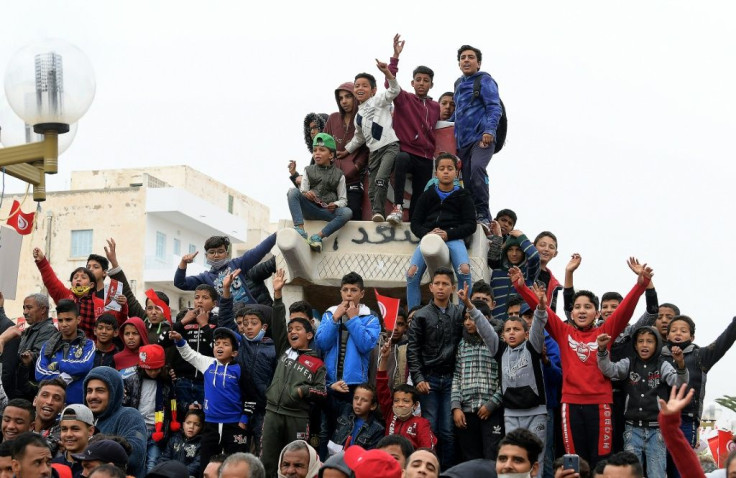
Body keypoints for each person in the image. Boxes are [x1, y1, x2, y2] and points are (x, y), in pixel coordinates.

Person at [513, 258, 653, 467]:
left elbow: (624, 310)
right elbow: (541, 307)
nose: (581, 310)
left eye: (587, 307)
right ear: (571, 313)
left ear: (597, 313)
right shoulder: (564, 332)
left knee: (601, 461)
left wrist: (640, 284)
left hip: (600, 405)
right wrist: (521, 287)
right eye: (577, 307)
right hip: (569, 404)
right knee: (573, 462)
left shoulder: (604, 332)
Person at [465, 278, 548, 472]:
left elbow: (538, 325)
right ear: (502, 335)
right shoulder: (500, 350)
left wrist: (541, 307)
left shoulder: (532, 346)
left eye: (517, 329)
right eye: (508, 330)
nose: (511, 333)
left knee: (538, 457)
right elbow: (485, 330)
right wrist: (470, 306)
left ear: (525, 334)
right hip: (511, 413)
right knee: (514, 456)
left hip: (536, 412)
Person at [597, 327, 688, 476]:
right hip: (632, 430)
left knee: (656, 473)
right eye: (640, 341)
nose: (644, 345)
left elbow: (678, 382)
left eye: (649, 341)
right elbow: (609, 370)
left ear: (657, 344)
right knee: (630, 473)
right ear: (635, 345)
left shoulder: (663, 365)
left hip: (657, 430)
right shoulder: (628, 363)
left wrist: (681, 365)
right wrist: (601, 350)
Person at [261, 270, 326, 478]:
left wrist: (302, 391)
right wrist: (277, 294)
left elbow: (322, 392)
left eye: (297, 328)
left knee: (296, 464)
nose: (291, 331)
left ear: (309, 334)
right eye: (290, 329)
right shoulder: (283, 350)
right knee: (269, 462)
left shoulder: (317, 363)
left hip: (298, 418)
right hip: (272, 413)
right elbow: (278, 322)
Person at [170, 324, 251, 469]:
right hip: (210, 424)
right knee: (206, 464)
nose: (220, 347)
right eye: (217, 343)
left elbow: (250, 396)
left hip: (234, 425)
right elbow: (189, 354)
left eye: (225, 344)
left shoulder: (240, 369)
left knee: (236, 465)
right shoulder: (208, 363)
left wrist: (244, 419)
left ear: (234, 353)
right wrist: (180, 340)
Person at [406, 267, 464, 468]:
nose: (441, 288)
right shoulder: (421, 315)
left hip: (451, 380)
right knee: (431, 430)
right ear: (430, 287)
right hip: (428, 380)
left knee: (448, 431)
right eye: (437, 284)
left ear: (453, 288)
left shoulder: (459, 313)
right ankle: (429, 470)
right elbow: (412, 350)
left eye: (445, 284)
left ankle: (446, 471)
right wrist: (418, 378)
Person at [218, 271, 277, 455]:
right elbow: (226, 319)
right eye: (245, 323)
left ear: (264, 326)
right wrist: (226, 289)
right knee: (238, 452)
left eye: (254, 323)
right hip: (239, 407)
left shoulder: (273, 349)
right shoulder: (240, 343)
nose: (248, 327)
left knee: (262, 452)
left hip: (263, 409)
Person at [406, 153, 476, 309]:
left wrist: (448, 234)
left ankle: (465, 314)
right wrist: (427, 234)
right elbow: (415, 223)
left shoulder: (464, 196)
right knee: (411, 273)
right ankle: (413, 315)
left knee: (464, 270)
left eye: (450, 168)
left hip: (453, 238)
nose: (446, 172)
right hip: (429, 238)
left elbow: (471, 225)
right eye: (442, 168)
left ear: (456, 173)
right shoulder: (426, 195)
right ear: (436, 173)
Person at [384, 34, 441, 222]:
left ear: (431, 84)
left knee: (421, 190)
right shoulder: (405, 99)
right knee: (401, 159)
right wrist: (395, 58)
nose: (421, 83)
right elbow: (390, 85)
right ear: (412, 82)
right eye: (418, 79)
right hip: (406, 150)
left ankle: (416, 220)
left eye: (425, 80)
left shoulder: (435, 107)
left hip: (425, 156)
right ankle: (397, 207)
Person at [316, 272, 380, 437]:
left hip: (354, 387)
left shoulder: (370, 318)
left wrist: (353, 320)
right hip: (330, 383)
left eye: (354, 290)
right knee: (325, 432)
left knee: (345, 433)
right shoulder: (330, 314)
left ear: (362, 293)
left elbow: (366, 345)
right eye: (345, 290)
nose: (349, 294)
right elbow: (321, 343)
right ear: (340, 292)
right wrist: (335, 318)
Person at [660, 314, 736, 450]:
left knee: (681, 467)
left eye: (683, 331)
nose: (678, 333)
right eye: (673, 330)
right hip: (657, 421)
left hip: (687, 420)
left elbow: (724, 341)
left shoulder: (700, 356)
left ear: (692, 337)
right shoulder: (657, 357)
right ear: (667, 336)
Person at [339, 60, 401, 223]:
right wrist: (346, 151)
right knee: (372, 186)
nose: (360, 88)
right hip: (373, 152)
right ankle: (377, 213)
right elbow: (359, 137)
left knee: (381, 178)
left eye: (364, 85)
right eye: (357, 85)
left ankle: (383, 211)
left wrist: (387, 72)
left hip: (389, 147)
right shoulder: (358, 116)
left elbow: (395, 90)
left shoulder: (379, 100)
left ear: (373, 90)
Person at [452, 44, 503, 231]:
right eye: (463, 57)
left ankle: (483, 214)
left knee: (477, 170)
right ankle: (472, 216)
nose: (466, 60)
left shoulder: (484, 80)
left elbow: (494, 107)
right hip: (462, 143)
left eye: (471, 57)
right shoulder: (458, 84)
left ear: (478, 63)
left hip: (482, 138)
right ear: (459, 63)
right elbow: (458, 113)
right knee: (465, 181)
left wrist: (489, 131)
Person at [33, 247, 128, 340]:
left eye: (83, 277)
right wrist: (42, 262)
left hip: (92, 349)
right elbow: (51, 281)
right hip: (67, 346)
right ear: (72, 283)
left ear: (91, 284)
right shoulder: (65, 296)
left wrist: (123, 306)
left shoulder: (101, 303)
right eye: (75, 277)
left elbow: (117, 322)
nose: (78, 279)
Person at [452, 289, 503, 461]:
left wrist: (493, 403)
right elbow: (457, 377)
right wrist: (456, 407)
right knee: (470, 459)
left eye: (472, 318)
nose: (468, 322)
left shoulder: (496, 343)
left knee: (491, 457)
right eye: (465, 318)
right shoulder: (462, 345)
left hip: (490, 411)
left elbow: (506, 380)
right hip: (466, 412)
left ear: (486, 320)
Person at [287, 132, 353, 252]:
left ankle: (317, 237)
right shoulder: (308, 170)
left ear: (331, 155)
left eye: (322, 150)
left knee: (347, 212)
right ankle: (300, 230)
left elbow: (343, 200)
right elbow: (302, 190)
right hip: (309, 209)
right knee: (292, 192)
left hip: (327, 212)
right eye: (315, 150)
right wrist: (306, 194)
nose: (317, 153)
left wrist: (336, 204)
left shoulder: (339, 175)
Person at [174, 233, 277, 305]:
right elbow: (180, 283)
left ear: (226, 254)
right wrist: (183, 263)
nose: (216, 255)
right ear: (206, 256)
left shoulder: (237, 264)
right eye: (212, 252)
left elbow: (258, 251)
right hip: (229, 321)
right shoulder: (205, 278)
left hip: (251, 314)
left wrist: (277, 235)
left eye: (220, 251)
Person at [122, 344, 179, 473]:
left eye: (156, 369)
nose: (153, 372)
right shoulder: (132, 380)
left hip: (156, 431)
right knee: (135, 462)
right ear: (142, 367)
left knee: (152, 463)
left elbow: (173, 403)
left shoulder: (167, 382)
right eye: (149, 369)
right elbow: (126, 403)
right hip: (137, 429)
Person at [83, 367, 147, 477]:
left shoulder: (129, 415)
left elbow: (135, 456)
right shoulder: (84, 420)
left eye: (100, 390)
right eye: (89, 391)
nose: (93, 396)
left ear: (114, 392)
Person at [320, 83, 369, 220]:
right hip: (331, 178)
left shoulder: (363, 119)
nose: (344, 101)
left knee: (353, 213)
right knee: (327, 214)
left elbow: (366, 149)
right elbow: (323, 145)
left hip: (353, 180)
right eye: (340, 98)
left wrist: (356, 167)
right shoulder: (333, 118)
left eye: (348, 96)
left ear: (355, 97)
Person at [377, 340, 436, 450]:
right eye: (396, 401)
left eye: (406, 401)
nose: (400, 404)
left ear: (415, 405)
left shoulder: (421, 424)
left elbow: (427, 450)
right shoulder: (390, 414)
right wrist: (384, 358)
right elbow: (381, 386)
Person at [35, 299, 95, 404]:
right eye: (60, 320)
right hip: (52, 406)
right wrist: (63, 378)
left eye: (68, 320)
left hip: (78, 406)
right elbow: (40, 373)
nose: (64, 324)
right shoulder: (48, 346)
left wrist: (59, 364)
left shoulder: (88, 345)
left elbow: (85, 365)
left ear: (78, 320)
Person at [0, 294, 58, 401]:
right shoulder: (28, 331)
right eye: (24, 308)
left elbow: (38, 356)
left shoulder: (48, 330)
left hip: (30, 391)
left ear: (43, 310)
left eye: (29, 308)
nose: (25, 312)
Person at [170, 284, 218, 411]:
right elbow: (166, 340)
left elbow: (217, 346)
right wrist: (183, 322)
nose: (200, 301)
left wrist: (204, 325)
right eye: (197, 297)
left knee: (204, 418)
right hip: (183, 380)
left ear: (214, 303)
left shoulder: (217, 322)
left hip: (206, 381)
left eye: (205, 298)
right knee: (182, 419)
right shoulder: (185, 319)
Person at [489, 230, 540, 323]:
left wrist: (522, 237)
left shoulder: (528, 272)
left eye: (518, 250)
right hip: (496, 325)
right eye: (510, 249)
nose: (514, 254)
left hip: (519, 326)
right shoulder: (496, 272)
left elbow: (534, 257)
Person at [329, 383, 384, 452]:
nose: (358, 403)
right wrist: (332, 388)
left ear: (373, 406)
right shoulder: (345, 410)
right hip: (333, 460)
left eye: (364, 400)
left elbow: (370, 456)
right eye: (356, 398)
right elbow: (326, 401)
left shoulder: (377, 429)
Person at [52, 404, 96, 477]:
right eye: (64, 429)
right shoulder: (52, 466)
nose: (68, 434)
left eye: (75, 429)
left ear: (90, 431)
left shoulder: (96, 468)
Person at [158, 409, 204, 477]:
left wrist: (179, 474)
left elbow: (196, 465)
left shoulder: (201, 443)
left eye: (196, 424)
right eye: (188, 423)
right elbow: (164, 458)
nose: (191, 427)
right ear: (183, 424)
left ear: (201, 427)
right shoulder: (174, 439)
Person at [31, 378, 67, 455]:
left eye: (56, 398)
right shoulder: (22, 421)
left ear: (62, 408)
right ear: (35, 401)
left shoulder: (63, 430)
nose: (49, 402)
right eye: (45, 395)